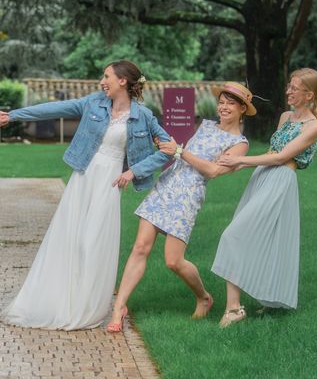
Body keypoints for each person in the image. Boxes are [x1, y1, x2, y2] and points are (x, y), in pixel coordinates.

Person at [0, 60, 173, 330]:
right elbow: (54, 109)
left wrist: (134, 171)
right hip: (83, 178)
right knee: (71, 239)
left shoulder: (144, 116)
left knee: (92, 243)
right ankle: (63, 301)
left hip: (108, 184)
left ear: (123, 81)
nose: (102, 82)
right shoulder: (93, 103)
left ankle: (87, 304)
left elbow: (169, 148)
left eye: (107, 77)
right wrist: (14, 115)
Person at [107, 82, 255, 332]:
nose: (223, 106)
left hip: (189, 194)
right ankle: (118, 308)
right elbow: (187, 154)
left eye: (231, 103)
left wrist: (179, 151)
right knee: (140, 246)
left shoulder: (240, 143)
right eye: (222, 101)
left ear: (242, 108)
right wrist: (169, 148)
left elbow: (213, 170)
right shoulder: (207, 125)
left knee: (173, 261)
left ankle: (204, 297)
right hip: (168, 184)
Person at [212, 68, 317, 327]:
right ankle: (259, 300)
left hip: (281, 181)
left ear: (309, 95)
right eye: (289, 86)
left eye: (294, 88)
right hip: (263, 178)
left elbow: (281, 157)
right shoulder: (286, 116)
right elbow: (272, 151)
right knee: (259, 239)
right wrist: (242, 165)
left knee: (235, 235)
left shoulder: (314, 127)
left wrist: (241, 159)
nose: (288, 91)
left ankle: (234, 309)